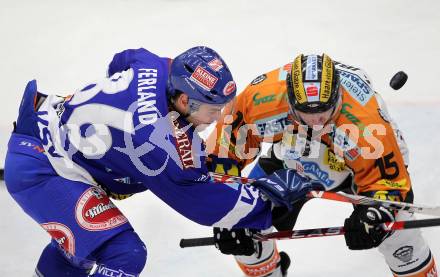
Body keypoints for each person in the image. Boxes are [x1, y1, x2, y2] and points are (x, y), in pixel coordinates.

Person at [4, 47, 316, 276]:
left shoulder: (158, 67)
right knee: (123, 253)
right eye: (212, 109)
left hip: (46, 128)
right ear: (184, 101)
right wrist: (269, 203)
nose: (219, 117)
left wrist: (111, 151)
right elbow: (203, 202)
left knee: (84, 243)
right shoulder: (162, 143)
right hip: (43, 167)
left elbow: (124, 59)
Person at [208, 53, 438, 277]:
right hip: (296, 153)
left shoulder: (366, 124)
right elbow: (222, 153)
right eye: (306, 112)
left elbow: (390, 182)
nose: (316, 121)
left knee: (399, 238)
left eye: (323, 111)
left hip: (362, 160)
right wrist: (225, 203)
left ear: (338, 96)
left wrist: (377, 213)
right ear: (289, 99)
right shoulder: (259, 100)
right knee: (242, 218)